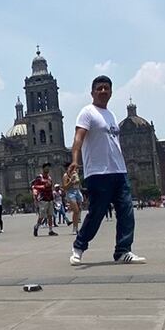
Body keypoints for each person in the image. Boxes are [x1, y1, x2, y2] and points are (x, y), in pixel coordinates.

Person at [68, 76, 144, 265]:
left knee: (126, 211)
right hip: (98, 172)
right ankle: (78, 247)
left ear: (111, 92)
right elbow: (78, 138)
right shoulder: (87, 112)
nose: (103, 91)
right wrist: (75, 160)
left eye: (106, 88)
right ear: (92, 92)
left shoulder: (111, 116)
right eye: (99, 88)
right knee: (97, 213)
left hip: (119, 171)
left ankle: (123, 251)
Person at [31, 163, 57, 237]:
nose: (47, 169)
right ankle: (36, 226)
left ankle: (50, 230)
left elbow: (51, 188)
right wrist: (44, 186)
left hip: (50, 198)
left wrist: (53, 198)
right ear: (43, 169)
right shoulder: (39, 177)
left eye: (48, 168)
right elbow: (35, 186)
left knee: (50, 215)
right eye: (46, 168)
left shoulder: (49, 178)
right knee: (42, 216)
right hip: (43, 199)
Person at [62, 163, 83, 234]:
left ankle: (76, 228)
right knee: (76, 210)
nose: (72, 169)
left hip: (77, 192)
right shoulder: (65, 176)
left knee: (78, 211)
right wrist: (71, 181)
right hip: (70, 193)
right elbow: (65, 187)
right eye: (70, 167)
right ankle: (74, 228)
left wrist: (77, 182)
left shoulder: (75, 173)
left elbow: (78, 182)